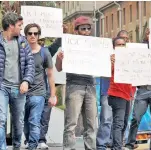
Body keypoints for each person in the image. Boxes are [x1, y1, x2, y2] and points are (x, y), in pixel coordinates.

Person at [0, 12, 35, 150]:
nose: (21, 29)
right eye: (19, 26)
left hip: (18, 88)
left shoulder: (23, 43)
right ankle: (1, 148)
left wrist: (26, 81)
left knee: (18, 122)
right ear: (10, 26)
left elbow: (30, 65)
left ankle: (16, 146)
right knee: (0, 120)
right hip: (0, 88)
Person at [55, 16, 97, 150]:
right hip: (74, 86)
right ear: (77, 30)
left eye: (88, 28)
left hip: (90, 85)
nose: (86, 31)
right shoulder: (70, 44)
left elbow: (101, 64)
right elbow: (58, 68)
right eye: (83, 29)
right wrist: (59, 59)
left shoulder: (95, 46)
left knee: (91, 124)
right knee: (71, 123)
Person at [125, 28, 151, 150]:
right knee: (136, 118)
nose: (150, 36)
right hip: (142, 89)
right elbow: (132, 52)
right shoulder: (140, 49)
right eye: (148, 34)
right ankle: (130, 144)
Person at [23, 23, 57, 150]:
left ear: (38, 36)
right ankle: (29, 140)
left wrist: (53, 95)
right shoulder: (21, 51)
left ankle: (33, 145)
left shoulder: (45, 52)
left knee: (34, 120)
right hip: (22, 93)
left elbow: (50, 74)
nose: (33, 36)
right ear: (25, 35)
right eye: (30, 33)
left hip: (38, 93)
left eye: (35, 33)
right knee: (25, 123)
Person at [38, 24, 68, 149]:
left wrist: (62, 34)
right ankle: (31, 138)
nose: (39, 42)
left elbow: (56, 45)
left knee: (45, 116)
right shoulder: (24, 51)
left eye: (42, 41)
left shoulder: (46, 52)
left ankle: (41, 139)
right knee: (31, 116)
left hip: (45, 88)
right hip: (30, 90)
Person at [108, 37, 136, 150]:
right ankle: (117, 147)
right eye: (118, 45)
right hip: (116, 95)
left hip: (127, 95)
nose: (121, 47)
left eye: (123, 44)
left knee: (124, 123)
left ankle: (118, 145)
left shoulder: (130, 58)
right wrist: (111, 62)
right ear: (114, 47)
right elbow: (105, 72)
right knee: (119, 123)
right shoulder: (111, 59)